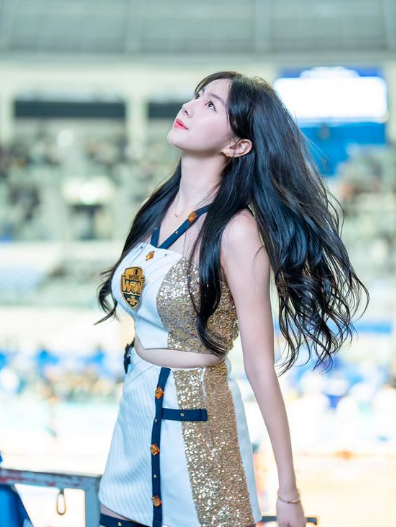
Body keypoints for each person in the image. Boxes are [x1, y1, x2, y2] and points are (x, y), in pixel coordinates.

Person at [95, 71, 369, 527]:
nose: (189, 107)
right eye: (197, 97)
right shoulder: (153, 211)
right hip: (132, 434)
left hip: (205, 442)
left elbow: (260, 367)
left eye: (211, 106)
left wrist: (288, 492)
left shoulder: (239, 232)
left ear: (238, 145)